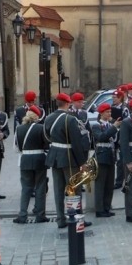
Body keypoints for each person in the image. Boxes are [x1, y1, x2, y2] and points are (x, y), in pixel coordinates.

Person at [44, 92, 88, 228]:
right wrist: (82, 162)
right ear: (68, 104)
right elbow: (76, 142)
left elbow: (46, 137)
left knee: (58, 190)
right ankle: (76, 217)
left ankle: (60, 219)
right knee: (74, 188)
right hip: (69, 157)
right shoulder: (70, 119)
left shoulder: (48, 118)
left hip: (54, 155)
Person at [13, 106, 49, 224]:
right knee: (40, 187)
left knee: (26, 188)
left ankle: (22, 215)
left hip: (25, 159)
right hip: (39, 159)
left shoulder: (19, 129)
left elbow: (16, 148)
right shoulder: (41, 128)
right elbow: (47, 144)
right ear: (37, 117)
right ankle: (40, 214)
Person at [94, 103, 121, 218]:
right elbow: (101, 137)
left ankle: (107, 207)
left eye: (110, 112)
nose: (109, 114)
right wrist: (114, 127)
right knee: (101, 184)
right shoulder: (97, 125)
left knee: (109, 184)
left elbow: (115, 140)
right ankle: (99, 209)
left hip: (111, 155)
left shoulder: (110, 125)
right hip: (102, 155)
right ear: (101, 113)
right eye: (107, 112)